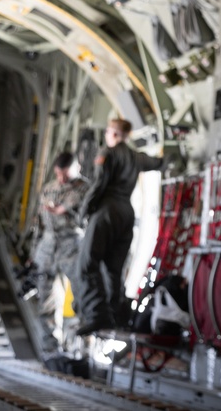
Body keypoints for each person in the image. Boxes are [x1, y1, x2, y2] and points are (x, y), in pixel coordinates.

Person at [75, 118, 164, 335]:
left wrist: (84, 210)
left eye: (107, 131)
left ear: (114, 134)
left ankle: (97, 315)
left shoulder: (108, 154)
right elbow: (158, 163)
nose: (106, 135)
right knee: (113, 270)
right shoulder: (136, 157)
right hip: (127, 214)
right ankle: (117, 316)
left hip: (107, 211)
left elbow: (99, 184)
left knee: (87, 264)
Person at [31, 151, 88, 353]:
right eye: (58, 174)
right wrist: (33, 252)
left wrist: (61, 209)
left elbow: (73, 206)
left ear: (76, 168)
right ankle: (50, 344)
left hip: (72, 245)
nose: (61, 179)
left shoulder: (85, 189)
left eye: (65, 174)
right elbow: (39, 223)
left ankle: (81, 341)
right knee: (46, 295)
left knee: (82, 292)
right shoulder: (49, 189)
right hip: (48, 247)